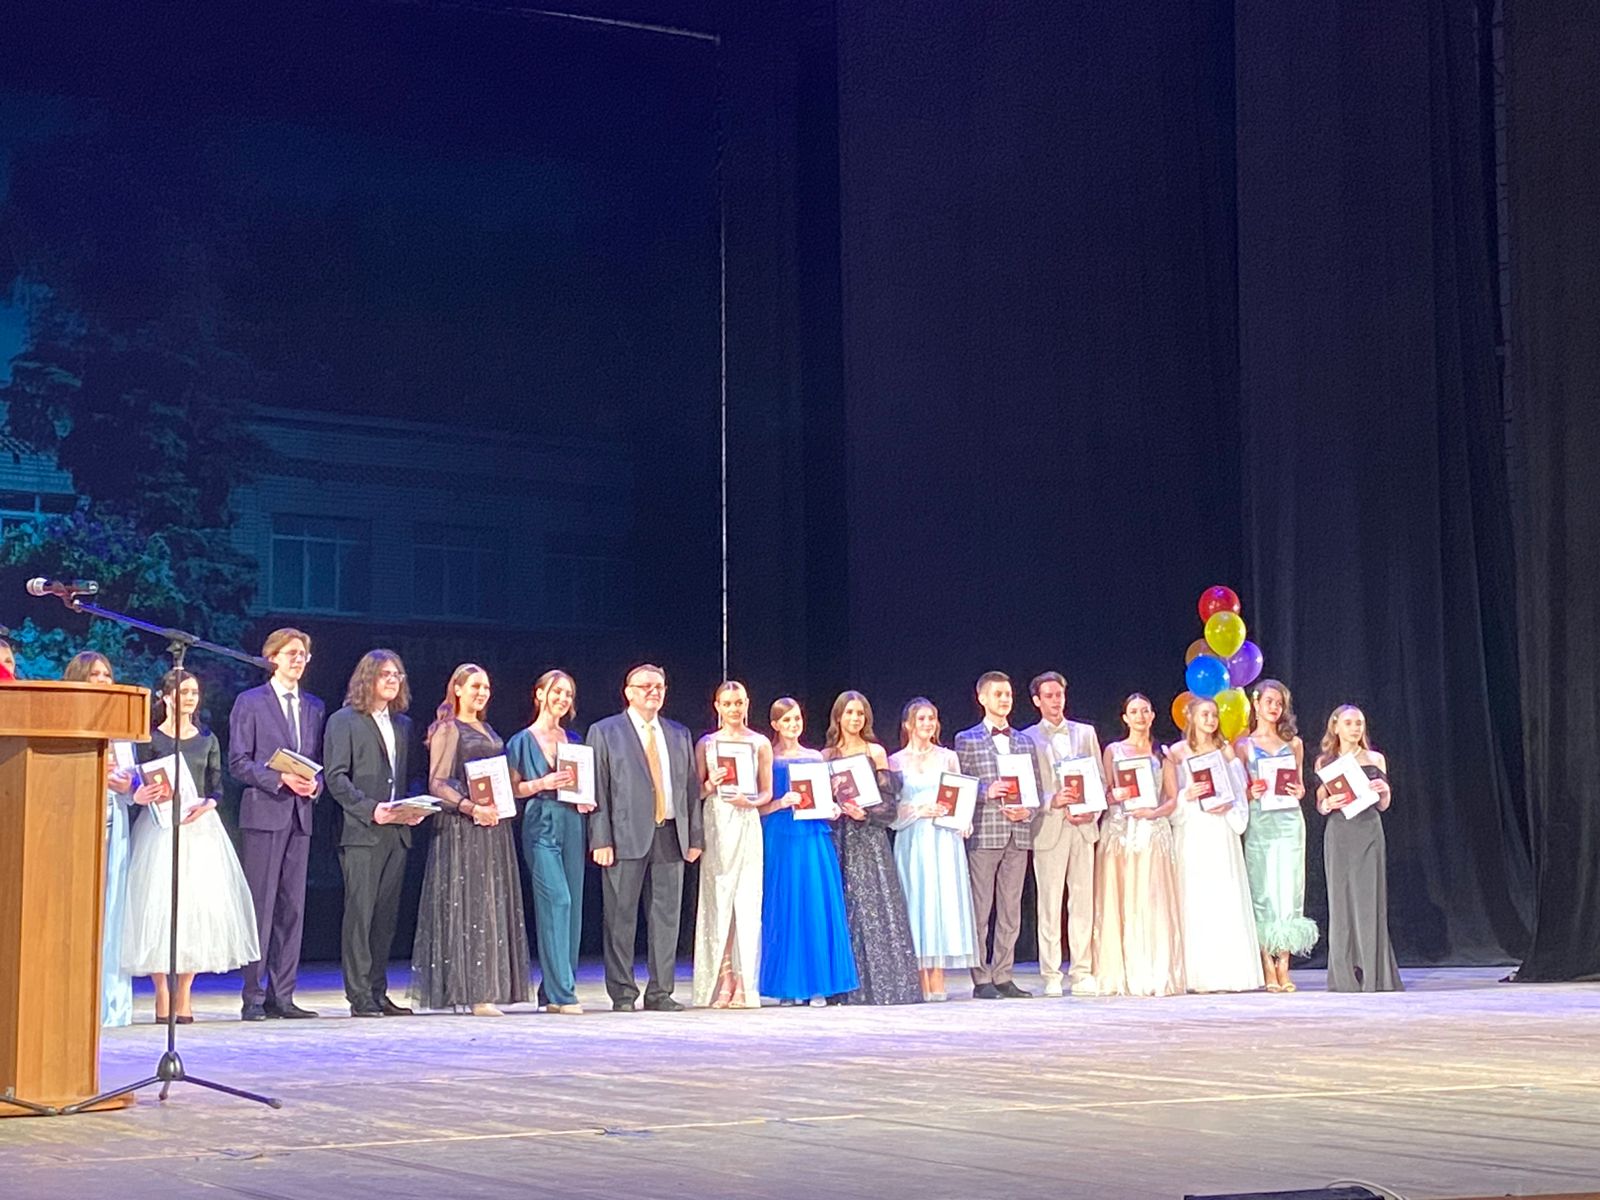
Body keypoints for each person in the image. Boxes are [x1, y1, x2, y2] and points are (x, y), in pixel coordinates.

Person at [123, 669, 260, 1021]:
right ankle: (161, 992)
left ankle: (184, 993)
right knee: (157, 908)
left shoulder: (207, 739)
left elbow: (216, 786)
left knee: (196, 910)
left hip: (199, 828)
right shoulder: (151, 738)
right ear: (166, 696)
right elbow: (139, 779)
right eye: (183, 692)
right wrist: (145, 793)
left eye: (194, 693)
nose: (189, 698)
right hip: (159, 828)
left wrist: (209, 804)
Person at [410, 663, 530, 1015]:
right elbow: (437, 783)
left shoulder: (487, 728)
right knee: (471, 905)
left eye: (486, 687)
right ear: (458, 689)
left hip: (493, 826)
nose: (482, 693)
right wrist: (470, 807)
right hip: (463, 827)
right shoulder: (449, 729)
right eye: (475, 686)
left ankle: (487, 989)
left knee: (490, 904)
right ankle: (474, 993)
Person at [587, 664, 702, 1012]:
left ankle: (660, 992)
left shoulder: (678, 733)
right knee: (620, 917)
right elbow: (598, 787)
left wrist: (694, 837)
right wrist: (600, 839)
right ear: (629, 692)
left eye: (659, 686)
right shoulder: (605, 731)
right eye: (646, 686)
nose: (653, 692)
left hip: (670, 834)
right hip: (624, 837)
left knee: (666, 917)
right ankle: (623, 993)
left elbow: (690, 788)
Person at [324, 650, 429, 1018]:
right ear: (367, 678)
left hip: (396, 832)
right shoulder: (344, 721)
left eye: (397, 675)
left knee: (385, 917)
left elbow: (411, 775)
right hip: (362, 831)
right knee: (361, 915)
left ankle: (378, 990)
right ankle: (359, 995)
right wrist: (371, 809)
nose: (393, 680)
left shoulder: (403, 724)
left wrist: (413, 807)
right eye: (385, 674)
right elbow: (336, 777)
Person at [229, 627, 324, 1020]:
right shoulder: (251, 702)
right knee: (261, 906)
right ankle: (253, 996)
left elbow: (316, 762)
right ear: (272, 658)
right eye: (291, 653)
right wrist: (279, 778)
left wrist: (314, 785)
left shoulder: (313, 706)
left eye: (303, 654)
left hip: (300, 815)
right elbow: (238, 762)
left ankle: (282, 996)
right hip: (264, 813)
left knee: (292, 908)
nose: (298, 660)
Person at [823, 691, 921, 1005]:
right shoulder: (826, 756)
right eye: (850, 712)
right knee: (843, 907)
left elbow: (889, 804)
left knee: (875, 908)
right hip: (838, 838)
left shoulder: (875, 752)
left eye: (860, 713)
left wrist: (864, 814)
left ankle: (881, 986)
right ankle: (842, 988)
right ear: (838, 717)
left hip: (869, 838)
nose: (855, 718)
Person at [1085, 693, 1185, 997]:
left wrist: (1154, 813)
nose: (1140, 716)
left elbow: (1172, 798)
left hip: (1152, 832)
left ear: (1152, 715)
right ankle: (1121, 972)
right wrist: (1113, 796)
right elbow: (1103, 792)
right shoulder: (1113, 751)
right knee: (1120, 899)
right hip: (1120, 832)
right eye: (1134, 711)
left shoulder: (1162, 754)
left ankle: (1153, 971)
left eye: (1145, 710)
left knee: (1151, 900)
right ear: (1125, 718)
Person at [760, 697, 858, 1005]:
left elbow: (825, 799)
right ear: (775, 725)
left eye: (797, 719)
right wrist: (780, 802)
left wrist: (832, 808)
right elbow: (757, 806)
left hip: (813, 834)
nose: (793, 725)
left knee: (815, 904)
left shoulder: (815, 757)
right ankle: (788, 987)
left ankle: (819, 985)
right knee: (785, 906)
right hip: (781, 835)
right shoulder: (767, 757)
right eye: (787, 720)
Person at [506, 670, 591, 1015]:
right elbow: (512, 789)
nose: (563, 699)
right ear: (540, 694)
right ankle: (562, 994)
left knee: (574, 907)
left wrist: (585, 798)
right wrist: (542, 783)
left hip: (572, 821)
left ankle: (555, 987)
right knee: (558, 901)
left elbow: (583, 783)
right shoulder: (521, 741)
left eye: (568, 694)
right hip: (540, 821)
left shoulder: (574, 740)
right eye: (557, 692)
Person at [1165, 696, 1264, 993]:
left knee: (1223, 895)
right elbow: (1169, 799)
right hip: (1194, 828)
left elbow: (1239, 789)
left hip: (1220, 828)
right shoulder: (1177, 752)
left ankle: (1226, 973)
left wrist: (1231, 804)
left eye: (1214, 715)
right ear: (1191, 717)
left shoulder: (1226, 750)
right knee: (1195, 896)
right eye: (1204, 714)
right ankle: (1197, 976)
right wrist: (1187, 795)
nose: (1210, 720)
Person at [953, 671, 1041, 999]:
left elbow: (1035, 788)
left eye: (1008, 694)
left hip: (1018, 834)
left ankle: (1004, 974)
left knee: (1010, 910)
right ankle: (981, 978)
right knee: (980, 909)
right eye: (998, 694)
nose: (1004, 699)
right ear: (982, 698)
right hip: (985, 833)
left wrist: (1027, 811)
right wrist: (985, 791)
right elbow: (959, 786)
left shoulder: (1024, 741)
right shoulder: (967, 739)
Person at [1020, 671, 1103, 997]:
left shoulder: (1085, 733)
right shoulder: (1027, 738)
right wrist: (1051, 800)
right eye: (1049, 696)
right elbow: (1026, 786)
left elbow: (1099, 779)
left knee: (1082, 902)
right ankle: (1051, 973)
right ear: (1037, 700)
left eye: (1059, 694)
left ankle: (1081, 971)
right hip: (1049, 827)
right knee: (1050, 904)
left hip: (1082, 827)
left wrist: (1091, 809)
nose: (1056, 701)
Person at [65, 650, 136, 1026]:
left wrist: (129, 785)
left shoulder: (121, 725)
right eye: (94, 674)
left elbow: (131, 779)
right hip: (79, 818)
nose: (103, 680)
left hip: (115, 820)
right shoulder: (66, 720)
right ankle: (73, 998)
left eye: (107, 674)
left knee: (112, 910)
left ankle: (111, 1001)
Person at [889, 697, 975, 1001]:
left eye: (932, 718)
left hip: (942, 839)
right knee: (917, 899)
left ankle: (937, 974)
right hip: (913, 837)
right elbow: (890, 808)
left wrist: (963, 821)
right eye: (921, 719)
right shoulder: (895, 761)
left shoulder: (948, 757)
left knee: (940, 901)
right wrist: (917, 809)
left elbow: (960, 797)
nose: (927, 724)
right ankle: (918, 974)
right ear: (908, 725)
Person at [692, 682, 772, 1008]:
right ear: (717, 706)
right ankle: (723, 978)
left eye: (738, 703)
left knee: (747, 902)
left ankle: (744, 982)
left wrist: (749, 801)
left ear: (747, 704)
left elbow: (767, 792)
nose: (734, 709)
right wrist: (711, 784)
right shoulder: (707, 744)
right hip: (716, 824)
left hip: (746, 822)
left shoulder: (760, 743)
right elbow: (696, 792)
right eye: (727, 703)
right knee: (718, 901)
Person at [1236, 679, 1319, 992]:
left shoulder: (1293, 743)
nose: (1274, 708)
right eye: (1269, 701)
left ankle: (1284, 964)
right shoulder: (1242, 745)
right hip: (1260, 821)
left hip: (1289, 822)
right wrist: (1250, 792)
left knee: (1289, 889)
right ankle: (1266, 965)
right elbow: (1236, 791)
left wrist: (1299, 790)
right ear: (1256, 704)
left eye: (1279, 703)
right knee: (1262, 890)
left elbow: (1300, 786)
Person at [1316, 705, 1403, 992]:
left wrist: (1385, 791)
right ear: (1336, 726)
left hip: (1368, 831)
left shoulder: (1375, 758)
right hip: (1339, 832)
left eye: (1360, 723)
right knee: (1340, 902)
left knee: (1368, 900)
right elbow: (1320, 803)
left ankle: (1374, 974)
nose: (1355, 728)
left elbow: (1383, 805)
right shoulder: (1325, 761)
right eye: (1349, 723)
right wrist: (1327, 804)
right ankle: (1344, 977)